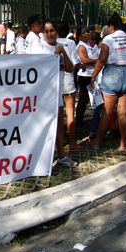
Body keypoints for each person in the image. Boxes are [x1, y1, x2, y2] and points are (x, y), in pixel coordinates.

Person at [90, 14, 126, 150]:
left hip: (112, 73)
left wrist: (93, 76)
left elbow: (101, 60)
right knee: (123, 112)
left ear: (111, 27)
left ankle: (97, 142)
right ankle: (123, 143)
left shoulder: (108, 39)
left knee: (107, 111)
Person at [39, 20, 76, 167]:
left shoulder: (61, 48)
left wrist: (63, 52)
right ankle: (43, 159)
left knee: (59, 129)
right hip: (43, 97)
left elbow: (69, 69)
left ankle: (61, 156)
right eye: (46, 31)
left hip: (57, 95)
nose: (49, 34)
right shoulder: (40, 49)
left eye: (52, 30)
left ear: (57, 32)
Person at [75, 27, 101, 142]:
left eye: (88, 32)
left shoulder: (88, 45)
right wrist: (99, 60)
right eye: (85, 33)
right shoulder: (81, 46)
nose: (88, 34)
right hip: (85, 76)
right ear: (80, 36)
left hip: (91, 75)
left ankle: (84, 122)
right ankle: (78, 123)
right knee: (83, 100)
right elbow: (85, 60)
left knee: (90, 100)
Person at [57, 20, 79, 150]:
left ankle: (59, 142)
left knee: (58, 114)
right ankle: (73, 142)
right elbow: (74, 62)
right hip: (69, 80)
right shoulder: (70, 42)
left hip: (56, 81)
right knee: (70, 113)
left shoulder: (51, 43)